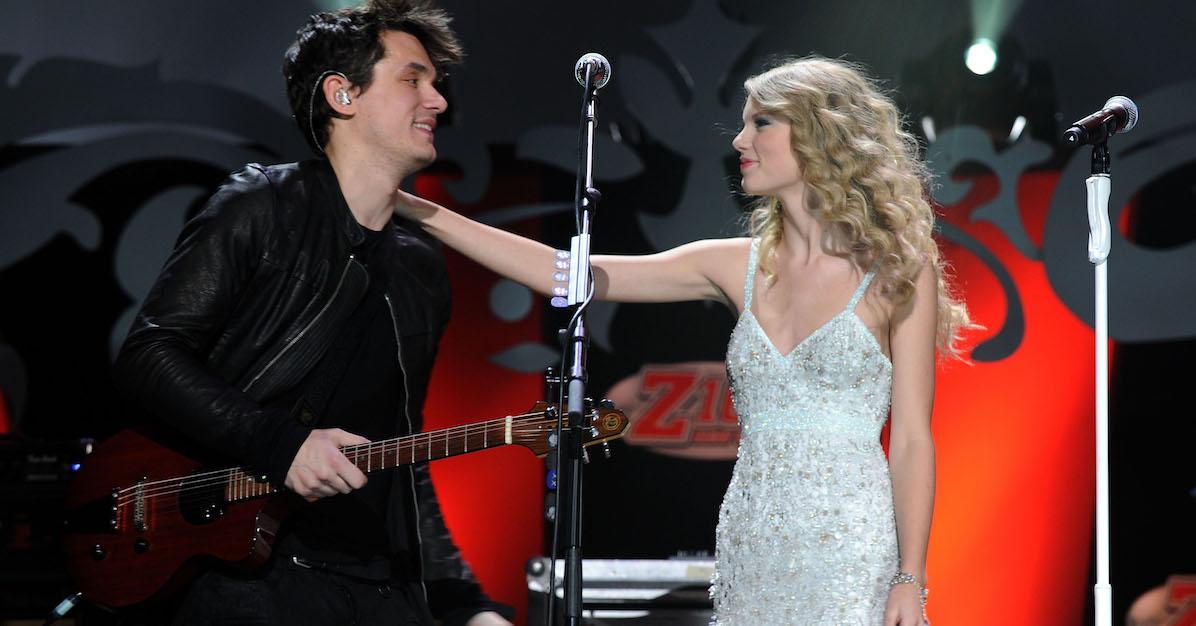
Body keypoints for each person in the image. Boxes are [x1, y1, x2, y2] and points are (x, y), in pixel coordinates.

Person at [391, 56, 972, 625]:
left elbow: (913, 440)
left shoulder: (898, 268)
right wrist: (425, 213)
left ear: (821, 134)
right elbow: (564, 273)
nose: (740, 140)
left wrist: (910, 578)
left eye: (761, 122)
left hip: (854, 546)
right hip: (754, 543)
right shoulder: (731, 266)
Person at [112, 1, 512, 625]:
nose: (437, 102)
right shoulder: (261, 207)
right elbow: (150, 354)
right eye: (414, 80)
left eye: (436, 85)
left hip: (378, 585)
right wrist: (281, 443)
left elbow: (405, 453)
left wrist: (464, 602)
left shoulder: (420, 270)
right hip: (250, 577)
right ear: (343, 94)